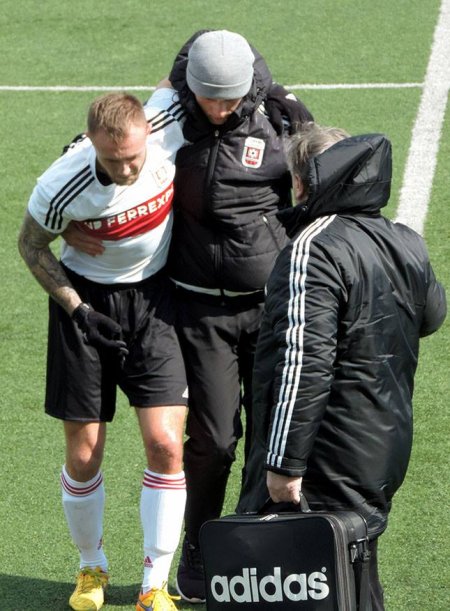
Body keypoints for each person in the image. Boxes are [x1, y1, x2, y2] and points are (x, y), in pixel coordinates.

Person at [63, 29, 314, 604]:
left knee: (271, 439)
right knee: (215, 441)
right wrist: (76, 219)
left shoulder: (282, 116)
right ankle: (199, 548)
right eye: (210, 98)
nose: (220, 109)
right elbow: (86, 154)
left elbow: (323, 175)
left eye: (230, 99)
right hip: (199, 310)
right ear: (190, 87)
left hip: (270, 307)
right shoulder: (167, 112)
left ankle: (262, 553)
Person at [237, 123, 447, 609]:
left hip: (322, 458)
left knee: (300, 588)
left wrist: (284, 464)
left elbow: (302, 365)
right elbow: (432, 315)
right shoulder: (404, 240)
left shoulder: (313, 248)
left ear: (302, 181)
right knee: (356, 575)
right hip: (380, 446)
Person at [18, 90, 189, 611]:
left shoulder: (167, 122)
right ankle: (91, 566)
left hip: (156, 303)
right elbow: (30, 244)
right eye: (113, 161)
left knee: (166, 445)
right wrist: (78, 311)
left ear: (147, 132)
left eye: (133, 156)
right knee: (84, 454)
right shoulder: (61, 185)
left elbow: (189, 66)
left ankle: (154, 584)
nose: (128, 169)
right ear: (90, 142)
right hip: (85, 307)